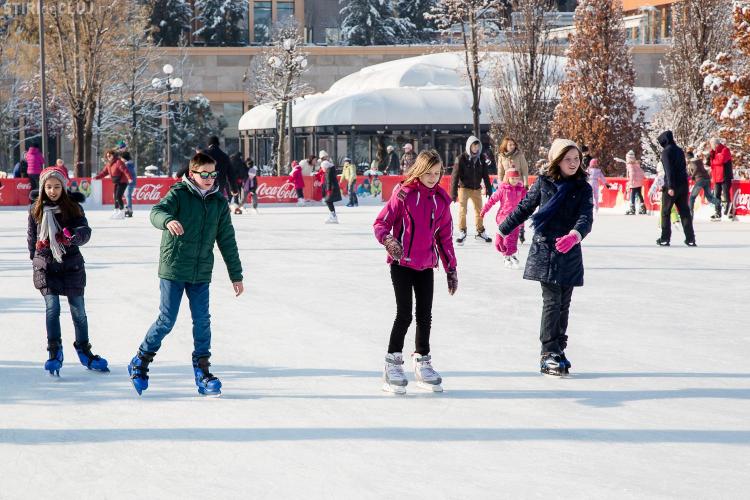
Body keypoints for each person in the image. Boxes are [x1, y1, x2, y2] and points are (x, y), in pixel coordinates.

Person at [127, 153, 244, 397]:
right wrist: (167, 220)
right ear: (192, 174)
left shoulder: (219, 204)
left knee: (202, 321)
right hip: (174, 268)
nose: (210, 178)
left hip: (200, 271)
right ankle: (140, 360)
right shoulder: (179, 194)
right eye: (205, 174)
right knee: (167, 320)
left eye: (213, 174)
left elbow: (227, 241)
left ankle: (202, 372)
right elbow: (156, 212)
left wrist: (236, 274)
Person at [497, 139, 593, 377]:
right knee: (552, 301)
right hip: (545, 249)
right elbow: (523, 208)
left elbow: (586, 217)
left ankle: (558, 348)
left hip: (569, 250)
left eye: (576, 159)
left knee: (564, 304)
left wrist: (575, 235)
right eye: (568, 159)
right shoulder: (544, 183)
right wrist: (503, 230)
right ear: (556, 160)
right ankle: (548, 352)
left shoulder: (583, 187)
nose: (573, 163)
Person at [373, 149, 457, 394]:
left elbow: (445, 238)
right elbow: (381, 223)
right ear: (419, 171)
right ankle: (392, 363)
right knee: (404, 314)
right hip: (401, 263)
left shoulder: (441, 200)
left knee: (425, 315)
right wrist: (389, 241)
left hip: (425, 264)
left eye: (437, 173)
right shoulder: (403, 194)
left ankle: (423, 361)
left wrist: (451, 268)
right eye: (428, 173)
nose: (433, 177)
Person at [27, 166, 108, 376]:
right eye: (49, 187)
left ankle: (84, 349)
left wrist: (72, 236)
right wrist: (36, 258)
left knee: (78, 312)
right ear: (43, 187)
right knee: (52, 308)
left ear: (63, 187)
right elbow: (31, 238)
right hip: (47, 268)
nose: (53, 191)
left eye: (57, 187)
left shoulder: (73, 208)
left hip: (71, 266)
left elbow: (84, 230)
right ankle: (54, 351)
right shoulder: (35, 209)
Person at [480, 168, 527, 269]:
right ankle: (506, 255)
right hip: (503, 216)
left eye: (516, 178)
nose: (515, 180)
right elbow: (492, 200)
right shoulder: (503, 189)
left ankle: (512, 253)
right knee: (508, 236)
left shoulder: (521, 189)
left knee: (514, 237)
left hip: (516, 217)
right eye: (512, 178)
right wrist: (484, 210)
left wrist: (523, 220)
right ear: (508, 178)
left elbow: (525, 204)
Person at [451, 135, 493, 244]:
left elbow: (485, 175)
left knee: (480, 211)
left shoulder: (481, 158)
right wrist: (454, 192)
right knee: (462, 210)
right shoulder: (461, 158)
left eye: (477, 146)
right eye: (474, 146)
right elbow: (455, 176)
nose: (476, 148)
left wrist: (489, 188)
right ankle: (462, 231)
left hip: (476, 189)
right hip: (464, 188)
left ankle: (480, 231)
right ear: (469, 146)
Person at [656, 130, 696, 246]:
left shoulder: (666, 152)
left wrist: (670, 186)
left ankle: (665, 238)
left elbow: (669, 170)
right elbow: (683, 168)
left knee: (665, 212)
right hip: (683, 185)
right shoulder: (679, 150)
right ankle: (690, 238)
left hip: (671, 186)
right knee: (684, 212)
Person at [94, 149, 132, 219]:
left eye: (110, 155)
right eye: (107, 156)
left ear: (113, 155)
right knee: (115, 196)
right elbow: (104, 172)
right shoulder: (109, 164)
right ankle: (116, 210)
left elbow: (125, 170)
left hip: (123, 181)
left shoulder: (118, 162)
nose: (108, 157)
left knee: (118, 196)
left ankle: (121, 212)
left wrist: (129, 178)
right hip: (116, 182)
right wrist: (97, 177)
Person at [708, 137, 735, 221]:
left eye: (712, 145)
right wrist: (710, 158)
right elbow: (710, 163)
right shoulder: (713, 152)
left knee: (726, 194)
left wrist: (713, 160)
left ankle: (729, 211)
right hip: (716, 177)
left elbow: (721, 160)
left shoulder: (725, 150)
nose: (711, 146)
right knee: (716, 195)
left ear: (716, 144)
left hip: (724, 176)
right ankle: (717, 212)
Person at [687, 150, 720, 216]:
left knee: (692, 197)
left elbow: (695, 168)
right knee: (709, 197)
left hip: (700, 181)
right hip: (707, 180)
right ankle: (720, 203)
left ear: (688, 157)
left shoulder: (691, 162)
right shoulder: (699, 161)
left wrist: (692, 176)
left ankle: (690, 214)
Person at [617, 150, 646, 215]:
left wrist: (630, 182)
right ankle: (643, 207)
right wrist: (642, 178)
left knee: (632, 195)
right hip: (639, 182)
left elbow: (632, 174)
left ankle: (632, 208)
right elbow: (641, 172)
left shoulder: (630, 165)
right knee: (639, 194)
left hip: (634, 182)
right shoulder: (637, 164)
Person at [321, 159, 342, 224]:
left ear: (325, 167)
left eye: (322, 167)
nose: (322, 169)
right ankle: (332, 215)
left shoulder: (328, 171)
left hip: (332, 189)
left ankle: (333, 216)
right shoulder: (330, 170)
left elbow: (328, 181)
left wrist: (328, 190)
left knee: (328, 201)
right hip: (333, 188)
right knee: (329, 202)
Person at [121, 151, 137, 218]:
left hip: (130, 183)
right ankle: (128, 208)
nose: (121, 159)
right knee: (127, 195)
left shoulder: (127, 165)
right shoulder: (128, 164)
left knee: (128, 195)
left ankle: (129, 209)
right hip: (129, 182)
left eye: (122, 158)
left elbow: (127, 173)